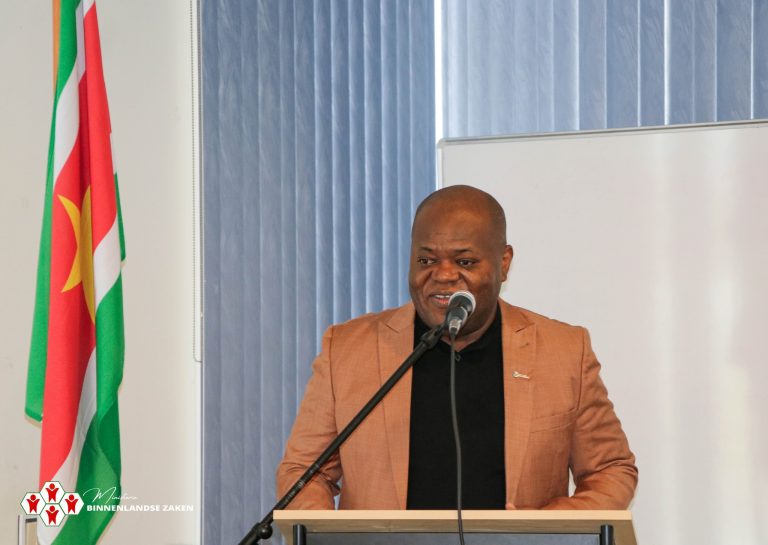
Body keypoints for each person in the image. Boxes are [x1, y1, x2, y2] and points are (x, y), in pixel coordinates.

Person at [276, 185, 637, 510]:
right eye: (426, 260)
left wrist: (549, 528)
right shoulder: (347, 349)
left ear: (504, 263)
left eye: (465, 262)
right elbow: (303, 473)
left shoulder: (564, 352)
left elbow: (610, 470)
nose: (443, 275)